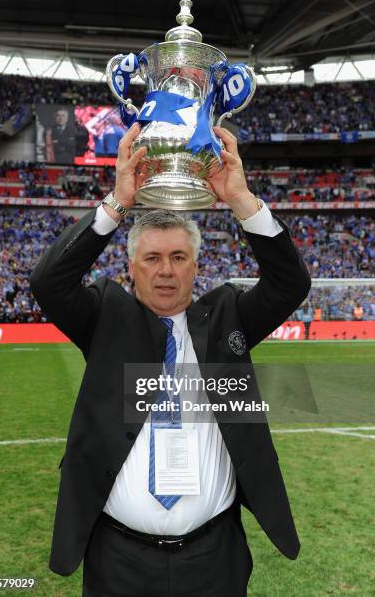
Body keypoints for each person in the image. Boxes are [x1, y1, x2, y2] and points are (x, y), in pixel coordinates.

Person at [30, 123, 311, 596]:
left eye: (179, 257)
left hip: (214, 556)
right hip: (118, 558)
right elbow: (48, 283)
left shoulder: (228, 318)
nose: (165, 270)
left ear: (196, 266)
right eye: (153, 258)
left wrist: (241, 200)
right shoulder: (106, 318)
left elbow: (290, 284)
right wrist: (118, 203)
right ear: (130, 268)